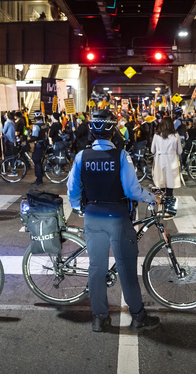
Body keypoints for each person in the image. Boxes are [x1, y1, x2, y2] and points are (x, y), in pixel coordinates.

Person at [67, 110, 160, 333]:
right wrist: (152, 197)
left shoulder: (82, 156)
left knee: (96, 268)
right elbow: (131, 190)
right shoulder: (121, 156)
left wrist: (79, 207)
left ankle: (100, 318)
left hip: (92, 217)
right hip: (117, 218)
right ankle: (138, 316)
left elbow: (72, 189)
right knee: (127, 269)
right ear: (113, 130)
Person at [151, 117, 182, 198]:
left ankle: (161, 207)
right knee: (170, 186)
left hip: (160, 161)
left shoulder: (157, 135)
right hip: (172, 162)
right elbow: (180, 151)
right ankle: (168, 205)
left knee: (161, 184)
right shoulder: (176, 136)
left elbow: (152, 150)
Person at [29, 110, 49, 185]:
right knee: (40, 161)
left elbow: (35, 137)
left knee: (36, 161)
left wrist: (28, 141)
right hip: (44, 144)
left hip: (38, 145)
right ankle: (41, 174)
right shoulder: (44, 125)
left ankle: (39, 179)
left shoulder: (36, 126)